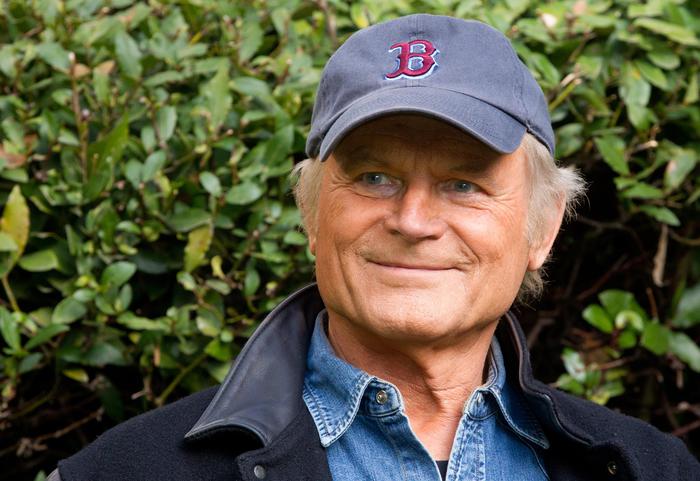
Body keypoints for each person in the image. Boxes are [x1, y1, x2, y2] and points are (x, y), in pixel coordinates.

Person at [50, 14, 699, 481]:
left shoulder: (651, 468)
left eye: (464, 184)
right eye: (373, 177)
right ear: (312, 214)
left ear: (543, 229)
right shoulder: (122, 472)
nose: (413, 220)